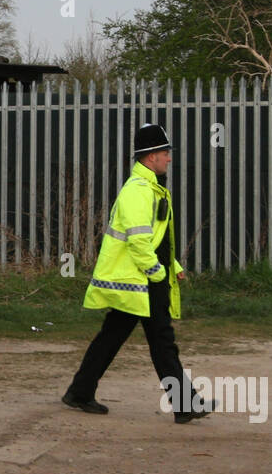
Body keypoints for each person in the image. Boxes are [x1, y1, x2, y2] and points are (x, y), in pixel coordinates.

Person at [62, 123, 215, 423]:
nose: (169, 158)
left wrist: (175, 267)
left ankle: (79, 392)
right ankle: (185, 405)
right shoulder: (138, 191)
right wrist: (158, 273)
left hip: (140, 280)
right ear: (149, 157)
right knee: (161, 339)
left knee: (113, 337)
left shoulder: (150, 188)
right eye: (165, 152)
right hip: (142, 280)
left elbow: (157, 237)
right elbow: (138, 240)